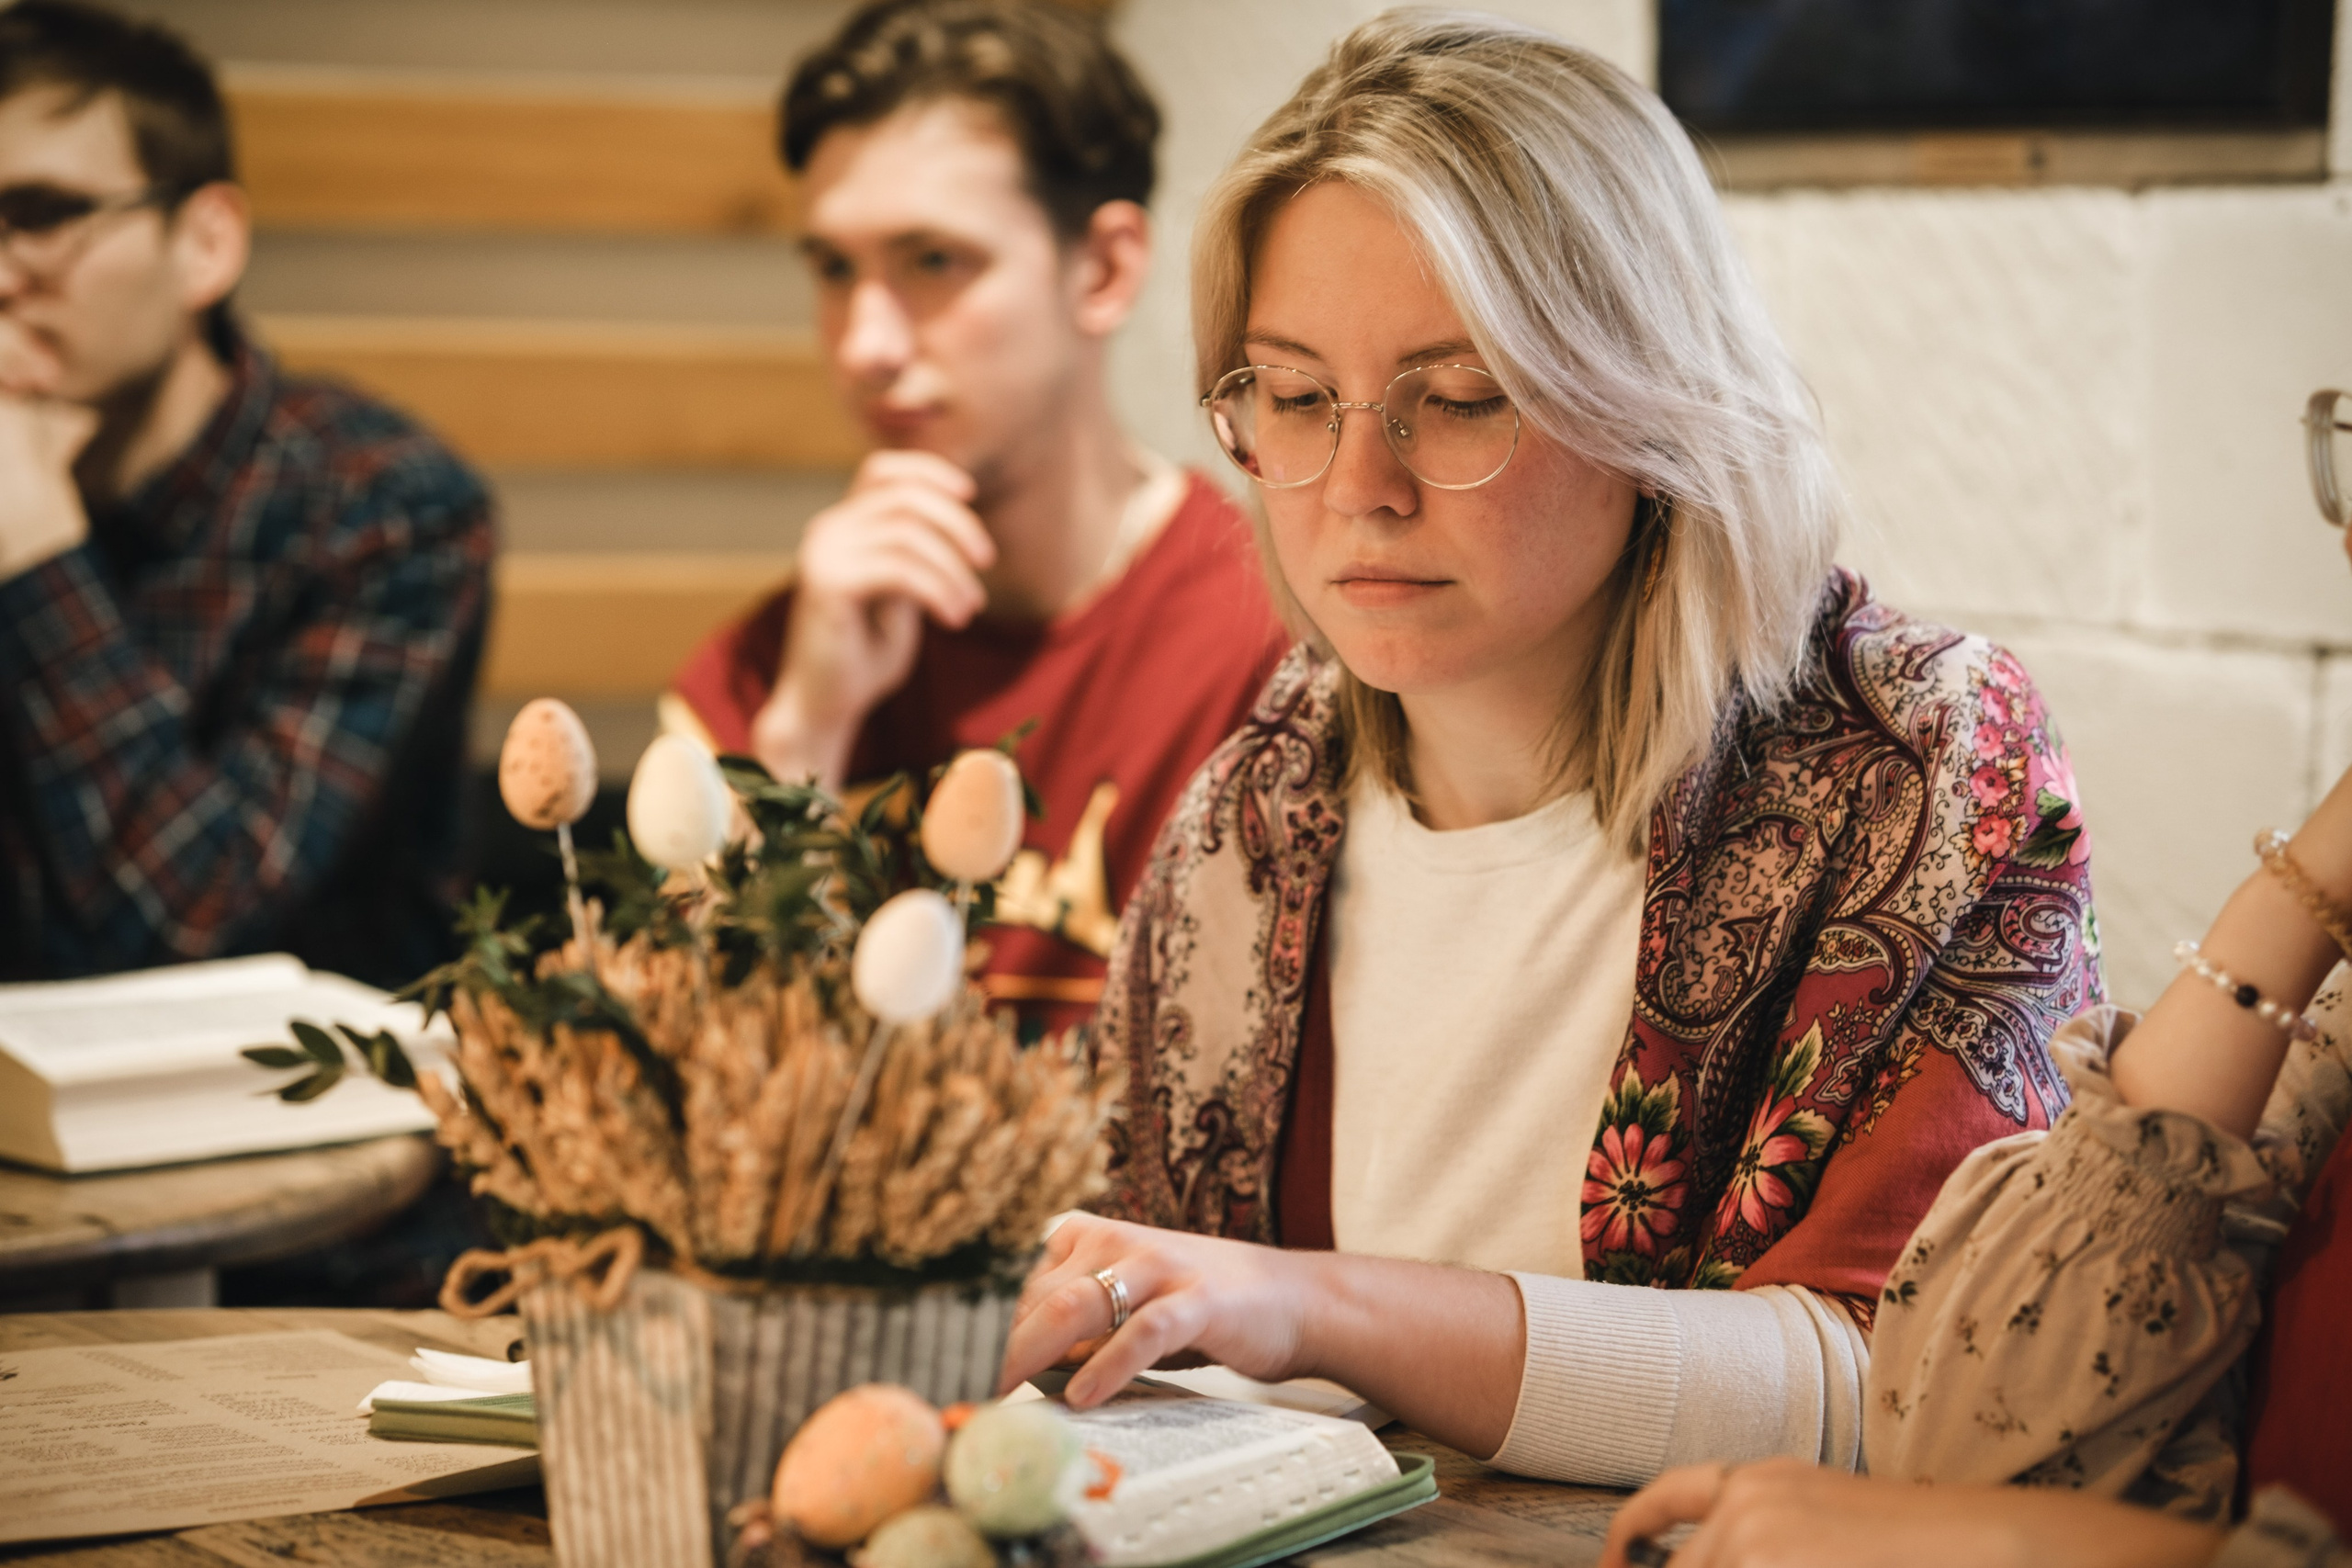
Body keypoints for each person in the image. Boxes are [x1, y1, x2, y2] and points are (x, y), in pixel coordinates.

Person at [996, 11, 2100, 1485]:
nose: (1359, 486)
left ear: (1648, 399)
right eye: (1297, 397)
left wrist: (1321, 1305)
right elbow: (1139, 1298)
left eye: (1460, 400)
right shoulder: (1259, 799)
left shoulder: (1920, 765)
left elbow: (1917, 1377)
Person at [1597, 395, 2352, 1565]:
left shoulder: (1929, 729)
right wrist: (2298, 893)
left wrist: (2001, 1543)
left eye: (1462, 401)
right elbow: (1985, 1421)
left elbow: (1918, 1436)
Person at [666, 0, 1290, 1035]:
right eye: (834, 269)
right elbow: (666, 1061)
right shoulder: (777, 666)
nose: (864, 345)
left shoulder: (1269, 641)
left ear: (1103, 269)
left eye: (933, 262)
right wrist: (805, 734)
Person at [0, 0, 492, 987]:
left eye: (41, 214)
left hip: (300, 1076)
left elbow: (200, 922)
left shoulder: (380, 506)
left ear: (205, 245)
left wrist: (36, 549)